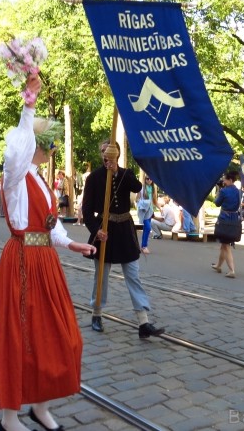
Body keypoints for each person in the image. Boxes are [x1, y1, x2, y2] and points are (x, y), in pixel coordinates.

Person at [0, 73, 95, 431]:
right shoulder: (16, 177)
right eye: (49, 148)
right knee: (20, 337)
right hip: (21, 262)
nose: (51, 155)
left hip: (45, 261)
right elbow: (16, 150)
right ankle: (9, 416)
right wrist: (28, 106)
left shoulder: (40, 180)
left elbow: (51, 225)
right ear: (37, 146)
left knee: (60, 337)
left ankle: (40, 407)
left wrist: (70, 243)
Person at [82, 139, 165, 338]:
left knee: (133, 276)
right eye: (103, 151)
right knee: (101, 276)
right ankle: (97, 314)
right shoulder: (94, 178)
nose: (106, 154)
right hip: (105, 231)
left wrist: (118, 171)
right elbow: (86, 211)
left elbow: (137, 187)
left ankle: (143, 322)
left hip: (125, 231)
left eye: (110, 151)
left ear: (117, 154)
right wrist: (95, 230)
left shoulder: (126, 174)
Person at [211, 171, 241, 278]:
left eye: (225, 179)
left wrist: (219, 192)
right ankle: (218, 265)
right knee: (224, 244)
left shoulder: (224, 191)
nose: (223, 181)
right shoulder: (238, 191)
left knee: (226, 245)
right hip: (234, 219)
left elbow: (217, 203)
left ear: (230, 180)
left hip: (224, 219)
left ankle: (232, 270)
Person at [136, 176, 155, 254]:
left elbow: (154, 201)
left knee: (145, 229)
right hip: (144, 211)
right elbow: (137, 199)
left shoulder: (153, 189)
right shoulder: (141, 188)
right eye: (147, 178)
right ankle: (144, 246)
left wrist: (160, 208)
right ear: (144, 179)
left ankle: (143, 246)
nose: (149, 180)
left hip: (150, 211)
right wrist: (142, 203)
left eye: (151, 178)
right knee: (148, 227)